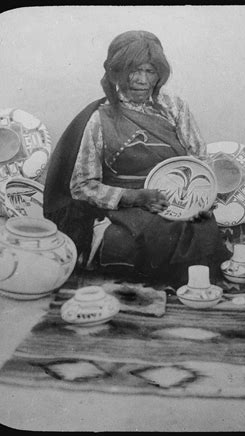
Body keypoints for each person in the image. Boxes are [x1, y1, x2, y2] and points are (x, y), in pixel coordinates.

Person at [43, 30, 228, 286]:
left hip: (176, 196)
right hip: (128, 205)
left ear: (159, 75)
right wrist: (134, 197)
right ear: (116, 71)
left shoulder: (175, 108)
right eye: (133, 70)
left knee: (201, 225)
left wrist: (202, 200)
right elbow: (82, 185)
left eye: (150, 71)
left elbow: (198, 159)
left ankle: (191, 287)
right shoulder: (100, 118)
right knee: (143, 236)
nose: (141, 80)